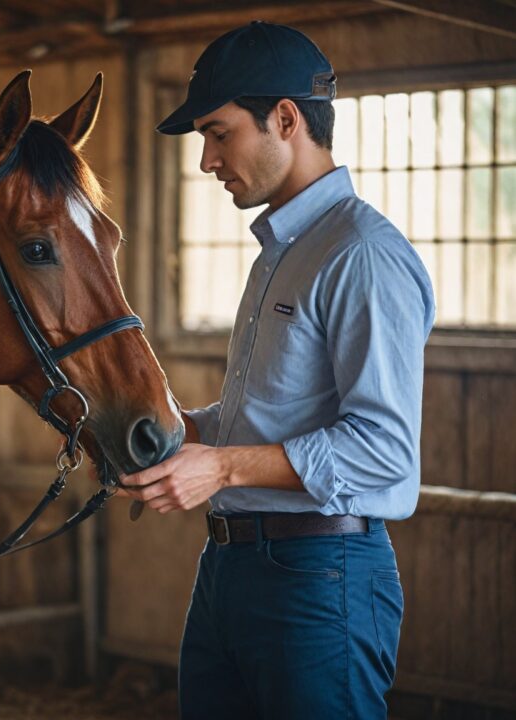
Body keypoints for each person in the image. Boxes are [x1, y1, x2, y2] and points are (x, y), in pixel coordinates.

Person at [120, 20, 435, 720]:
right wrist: (169, 439)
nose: (205, 160)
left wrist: (222, 469)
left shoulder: (361, 255)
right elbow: (265, 417)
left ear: (285, 120)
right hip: (231, 569)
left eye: (218, 133)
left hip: (318, 578)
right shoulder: (282, 251)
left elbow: (385, 454)